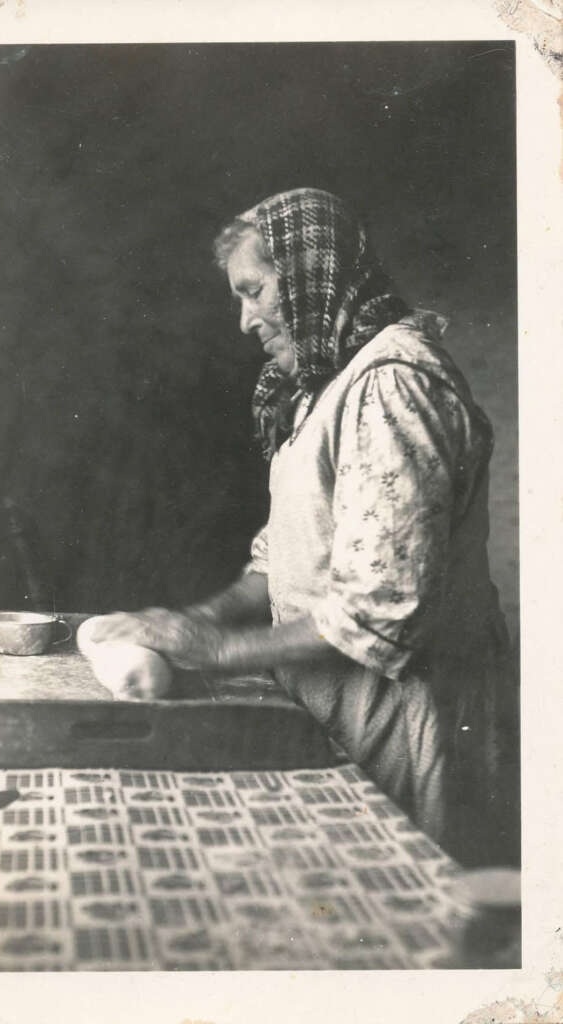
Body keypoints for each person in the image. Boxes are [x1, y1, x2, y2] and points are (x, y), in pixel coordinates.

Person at [90, 188, 518, 867]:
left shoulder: (391, 383)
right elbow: (283, 554)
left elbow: (383, 609)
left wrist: (218, 650)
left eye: (253, 290)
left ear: (312, 269)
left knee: (413, 920)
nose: (243, 320)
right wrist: (196, 617)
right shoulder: (321, 390)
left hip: (413, 718)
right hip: (338, 705)